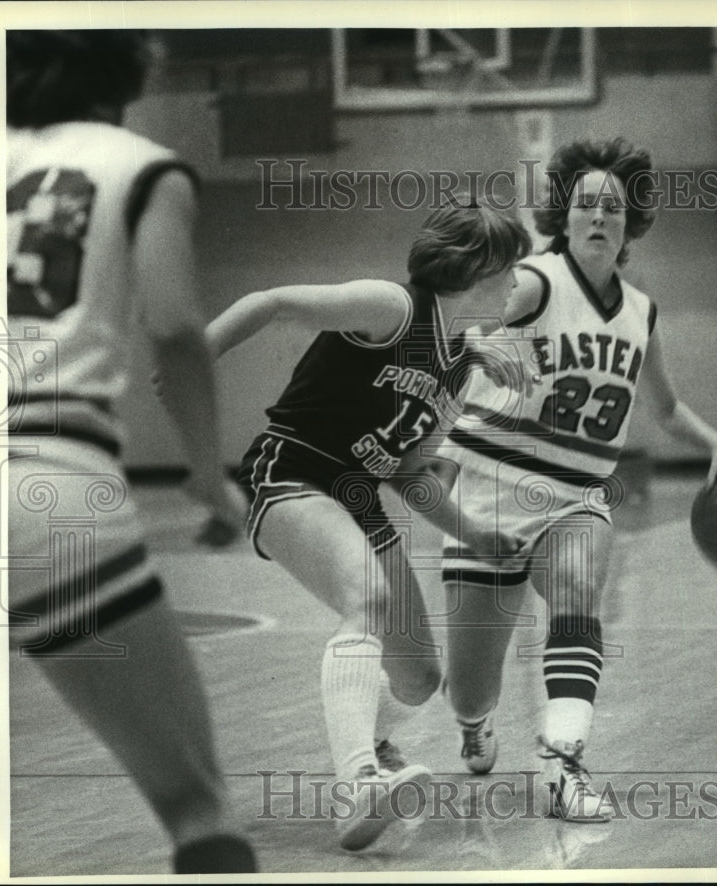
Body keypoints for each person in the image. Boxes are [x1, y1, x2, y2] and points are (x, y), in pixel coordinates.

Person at [437, 137, 717, 822]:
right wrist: (476, 341)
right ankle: (475, 724)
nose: (599, 216)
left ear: (629, 225)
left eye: (613, 208)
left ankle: (562, 765)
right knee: (470, 689)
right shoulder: (534, 280)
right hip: (490, 488)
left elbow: (668, 409)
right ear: (563, 218)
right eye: (586, 204)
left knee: (577, 593)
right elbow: (459, 321)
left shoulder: (640, 312)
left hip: (577, 494)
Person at [4, 31, 257, 872]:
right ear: (137, 68)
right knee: (197, 808)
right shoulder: (142, 165)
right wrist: (207, 475)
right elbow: (178, 329)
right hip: (46, 490)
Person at [206, 200, 531, 850]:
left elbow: (411, 475)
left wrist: (477, 537)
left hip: (359, 500)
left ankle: (365, 734)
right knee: (368, 601)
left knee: (417, 678)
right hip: (291, 471)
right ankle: (359, 784)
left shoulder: (462, 365)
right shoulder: (393, 307)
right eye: (510, 271)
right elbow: (272, 303)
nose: (519, 285)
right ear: (475, 267)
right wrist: (195, 356)